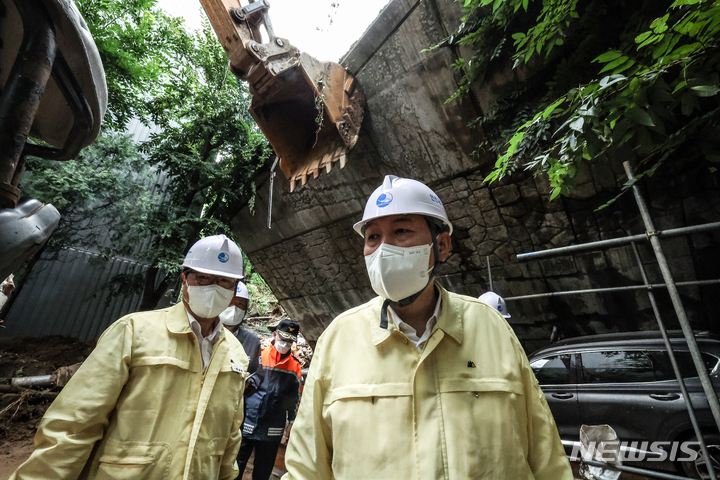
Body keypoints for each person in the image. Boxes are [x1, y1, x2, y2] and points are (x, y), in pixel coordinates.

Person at [283, 175, 573, 480]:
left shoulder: (491, 329)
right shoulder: (339, 339)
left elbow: (546, 457)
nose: (383, 249)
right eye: (373, 238)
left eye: (401, 230)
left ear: (442, 245)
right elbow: (306, 469)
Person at [10, 234, 250, 480]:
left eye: (224, 281)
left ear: (234, 290)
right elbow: (75, 423)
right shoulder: (134, 332)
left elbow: (230, 440)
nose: (213, 288)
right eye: (204, 278)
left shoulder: (235, 355)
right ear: (184, 280)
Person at [237, 319, 302, 480]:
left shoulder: (295, 366)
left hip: (273, 428)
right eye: (283, 339)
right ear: (275, 335)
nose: (285, 344)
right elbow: (243, 384)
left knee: (263, 470)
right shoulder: (259, 355)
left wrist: (291, 423)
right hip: (248, 421)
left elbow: (294, 398)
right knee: (236, 465)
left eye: (289, 341)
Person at [221, 281, 261, 374]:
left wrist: (251, 381)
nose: (234, 308)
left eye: (239, 304)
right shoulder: (206, 334)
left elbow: (258, 374)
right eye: (229, 302)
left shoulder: (252, 342)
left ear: (245, 308)